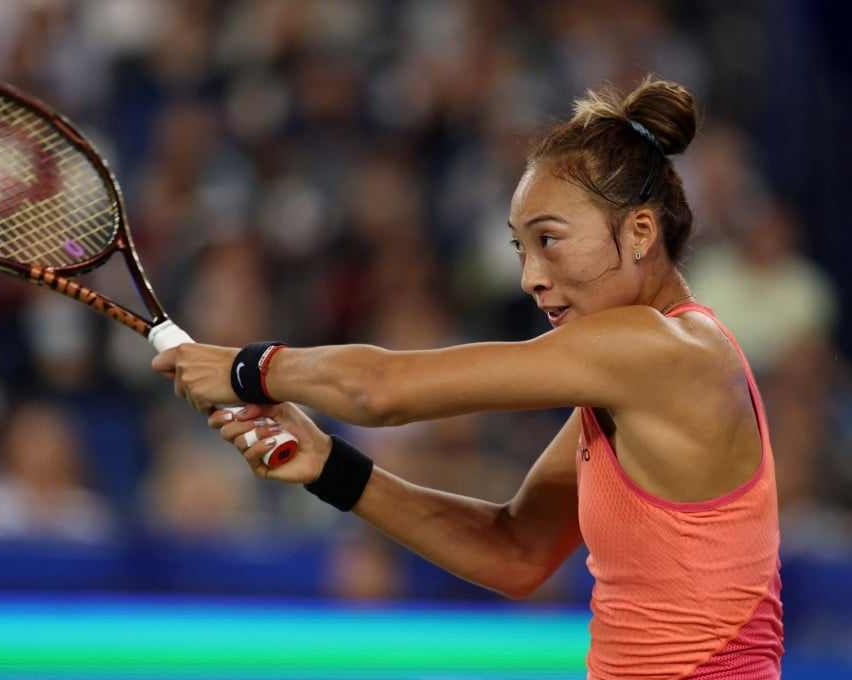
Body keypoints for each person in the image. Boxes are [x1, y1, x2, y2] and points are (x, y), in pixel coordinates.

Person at [153, 76, 784, 678]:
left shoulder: (661, 350)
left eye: (550, 239)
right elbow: (516, 553)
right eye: (520, 247)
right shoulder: (638, 373)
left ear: (640, 231)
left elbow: (382, 390)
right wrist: (328, 465)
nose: (530, 276)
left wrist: (247, 368)